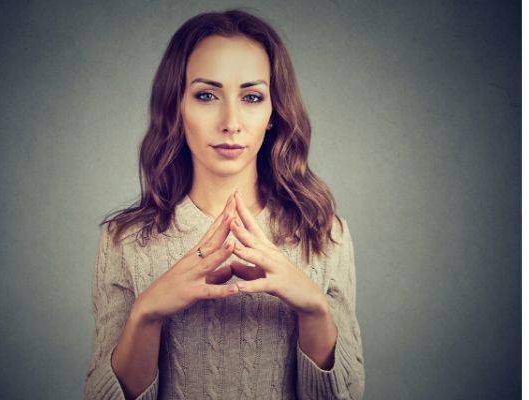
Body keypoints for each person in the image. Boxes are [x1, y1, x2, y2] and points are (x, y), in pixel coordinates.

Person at [84, 8, 365, 400]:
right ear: (177, 108)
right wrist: (146, 314)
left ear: (273, 113)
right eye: (206, 95)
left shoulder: (324, 235)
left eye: (251, 97)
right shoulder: (125, 241)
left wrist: (314, 308)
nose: (231, 121)